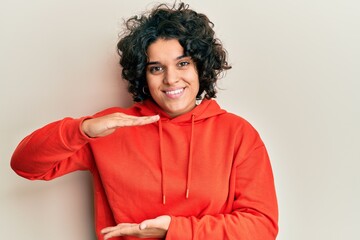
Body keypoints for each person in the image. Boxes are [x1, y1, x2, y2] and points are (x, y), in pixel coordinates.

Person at [11, 2, 278, 240]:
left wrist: (173, 230)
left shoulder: (237, 133)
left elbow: (262, 226)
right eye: (156, 68)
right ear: (143, 75)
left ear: (201, 67)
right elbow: (24, 165)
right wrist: (82, 129)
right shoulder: (112, 127)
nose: (171, 79)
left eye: (182, 64)